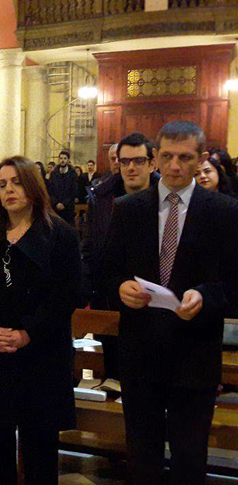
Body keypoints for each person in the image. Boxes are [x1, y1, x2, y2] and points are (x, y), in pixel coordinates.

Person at [102, 121, 238, 485]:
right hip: (141, 352)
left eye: (185, 157)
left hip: (195, 353)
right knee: (141, 456)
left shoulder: (224, 211)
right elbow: (107, 270)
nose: (175, 166)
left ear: (201, 158)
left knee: (189, 458)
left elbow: (235, 284)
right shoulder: (128, 208)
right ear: (156, 157)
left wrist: (206, 295)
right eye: (167, 156)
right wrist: (121, 288)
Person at [0, 156, 80, 485]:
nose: (8, 190)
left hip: (40, 353)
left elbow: (66, 296)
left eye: (16, 182)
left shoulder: (60, 234)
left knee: (40, 447)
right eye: (2, 184)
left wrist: (28, 333)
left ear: (33, 186)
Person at [83, 132, 158, 311]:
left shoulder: (167, 200)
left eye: (138, 161)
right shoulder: (101, 198)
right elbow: (91, 247)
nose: (131, 167)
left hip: (154, 300)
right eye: (125, 161)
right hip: (108, 296)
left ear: (152, 164)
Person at [47, 150, 78, 225]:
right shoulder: (54, 173)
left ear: (68, 160)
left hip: (68, 207)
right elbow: (50, 190)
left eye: (65, 158)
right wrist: (56, 203)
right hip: (55, 206)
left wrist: (64, 203)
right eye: (61, 158)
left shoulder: (73, 173)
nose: (62, 160)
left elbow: (73, 190)